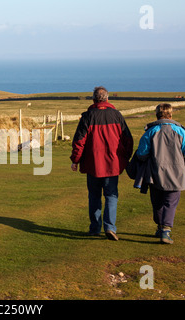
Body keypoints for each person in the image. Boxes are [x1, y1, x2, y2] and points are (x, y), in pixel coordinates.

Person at [70, 86, 134, 240]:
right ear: (107, 99)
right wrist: (124, 158)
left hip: (93, 165)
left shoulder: (88, 116)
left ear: (94, 99)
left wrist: (75, 160)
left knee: (94, 196)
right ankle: (110, 227)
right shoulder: (117, 115)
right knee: (111, 195)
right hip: (112, 164)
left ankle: (95, 228)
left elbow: (79, 142)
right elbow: (128, 140)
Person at [136, 103, 185, 244]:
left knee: (157, 203)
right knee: (170, 203)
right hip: (177, 174)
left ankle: (160, 227)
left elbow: (142, 154)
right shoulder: (181, 132)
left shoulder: (151, 131)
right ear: (171, 114)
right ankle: (165, 230)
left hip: (155, 173)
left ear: (157, 114)